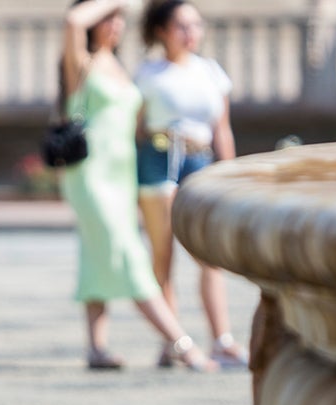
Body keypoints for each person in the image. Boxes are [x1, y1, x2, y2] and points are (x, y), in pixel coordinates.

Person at [59, 0, 217, 372]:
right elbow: (72, 19)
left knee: (95, 254)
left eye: (119, 19)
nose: (115, 24)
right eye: (107, 19)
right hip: (91, 175)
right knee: (129, 255)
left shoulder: (119, 65)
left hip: (123, 175)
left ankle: (96, 348)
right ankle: (182, 345)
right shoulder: (81, 62)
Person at [134, 0, 249, 368]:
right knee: (163, 253)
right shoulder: (149, 73)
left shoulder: (210, 71)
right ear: (162, 31)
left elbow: (222, 128)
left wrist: (230, 174)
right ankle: (174, 341)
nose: (191, 33)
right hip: (159, 156)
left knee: (208, 253)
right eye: (182, 26)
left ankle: (222, 339)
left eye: (195, 25)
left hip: (200, 160)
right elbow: (137, 127)